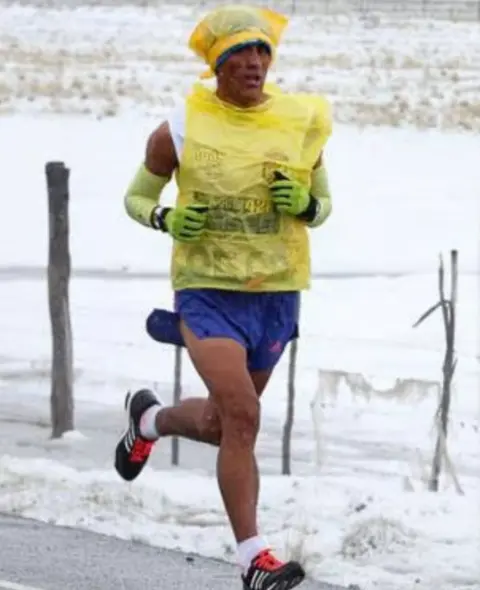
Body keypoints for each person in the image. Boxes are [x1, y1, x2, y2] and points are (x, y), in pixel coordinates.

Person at [115, 6, 331, 589]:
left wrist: (305, 204)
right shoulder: (180, 127)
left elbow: (323, 206)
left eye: (262, 52)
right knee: (244, 415)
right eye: (240, 54)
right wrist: (165, 217)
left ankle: (149, 420)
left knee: (221, 423)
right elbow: (136, 197)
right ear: (217, 65)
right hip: (207, 289)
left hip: (276, 293)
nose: (254, 63)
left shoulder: (300, 122)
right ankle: (252, 559)